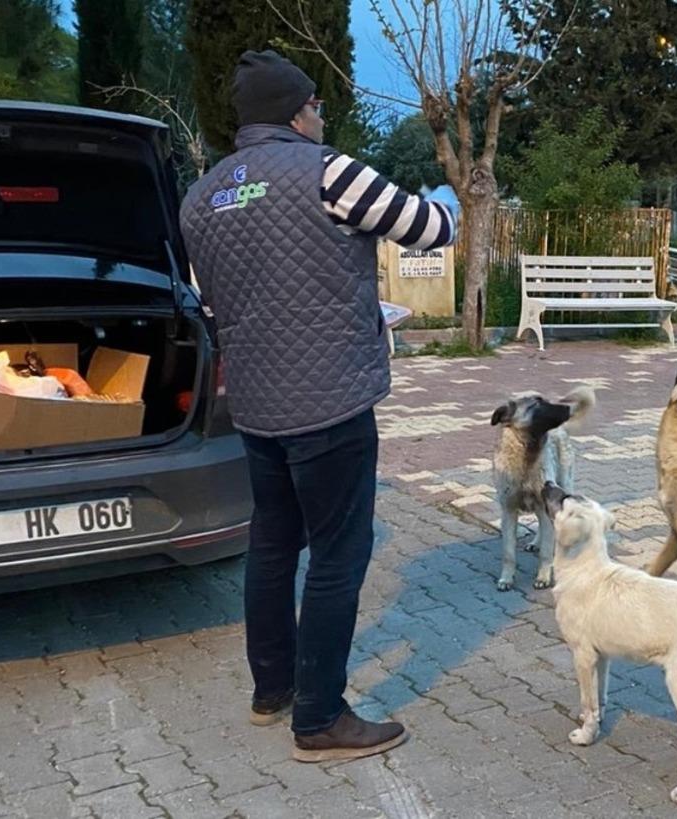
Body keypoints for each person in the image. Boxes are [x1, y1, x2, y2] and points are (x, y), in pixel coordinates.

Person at [179, 49, 457, 763]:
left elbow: (210, 300)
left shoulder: (200, 198)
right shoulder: (329, 171)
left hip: (256, 406)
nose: (322, 115)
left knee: (273, 543)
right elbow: (430, 230)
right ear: (298, 111)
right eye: (317, 104)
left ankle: (271, 689)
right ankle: (321, 717)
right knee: (338, 554)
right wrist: (447, 202)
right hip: (331, 403)